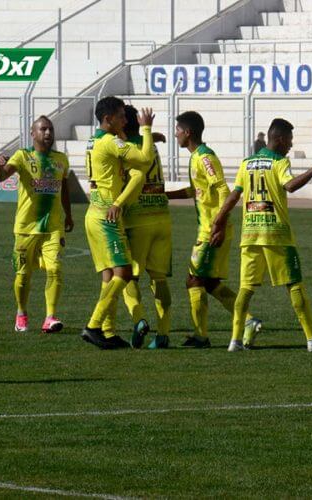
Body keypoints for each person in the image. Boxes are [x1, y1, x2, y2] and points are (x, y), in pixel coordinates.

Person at [210, 118, 312, 352]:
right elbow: (290, 186)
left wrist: (219, 220)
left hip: (250, 235)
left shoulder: (246, 163)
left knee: (245, 289)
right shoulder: (279, 162)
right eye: (289, 139)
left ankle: (235, 341)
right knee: (294, 284)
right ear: (278, 139)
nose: (290, 144)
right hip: (276, 234)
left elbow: (234, 195)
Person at [173, 111, 262, 348]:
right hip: (210, 227)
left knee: (193, 280)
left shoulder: (205, 157)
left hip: (211, 230)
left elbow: (223, 190)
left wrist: (219, 225)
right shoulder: (195, 157)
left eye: (178, 130)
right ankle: (249, 321)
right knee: (209, 283)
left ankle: (202, 336)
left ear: (187, 132)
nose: (175, 135)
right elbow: (196, 191)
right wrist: (164, 194)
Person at [81, 96, 155, 350]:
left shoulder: (96, 140)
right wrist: (145, 128)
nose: (126, 119)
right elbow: (145, 160)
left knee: (109, 275)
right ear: (108, 119)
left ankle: (108, 332)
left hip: (95, 213)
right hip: (106, 216)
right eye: (122, 115)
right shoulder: (110, 142)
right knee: (123, 272)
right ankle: (93, 326)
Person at [0, 116, 73, 334]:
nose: (48, 133)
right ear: (33, 133)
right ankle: (21, 312)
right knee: (23, 275)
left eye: (51, 129)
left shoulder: (61, 159)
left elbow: (64, 188)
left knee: (56, 269)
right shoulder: (22, 156)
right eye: (43, 129)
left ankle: (50, 317)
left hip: (53, 226)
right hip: (26, 228)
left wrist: (69, 215)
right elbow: (2, 177)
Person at [118, 105, 173, 349]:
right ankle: (163, 333)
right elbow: (148, 140)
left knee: (127, 277)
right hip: (162, 216)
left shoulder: (125, 149)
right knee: (159, 279)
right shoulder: (150, 144)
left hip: (137, 220)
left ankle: (138, 319)